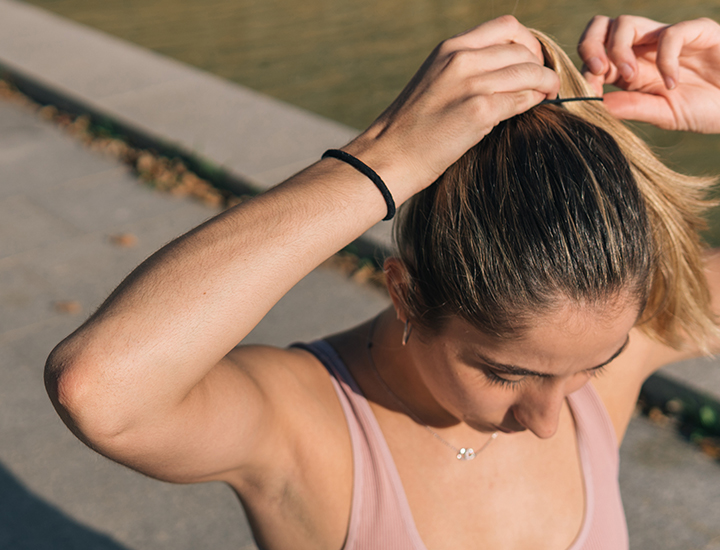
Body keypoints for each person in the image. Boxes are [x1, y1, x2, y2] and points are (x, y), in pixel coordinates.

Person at [44, 14, 720, 550]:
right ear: (405, 292)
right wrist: (383, 160)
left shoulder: (608, 356)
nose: (551, 420)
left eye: (592, 368)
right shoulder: (304, 426)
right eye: (506, 374)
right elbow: (103, 390)